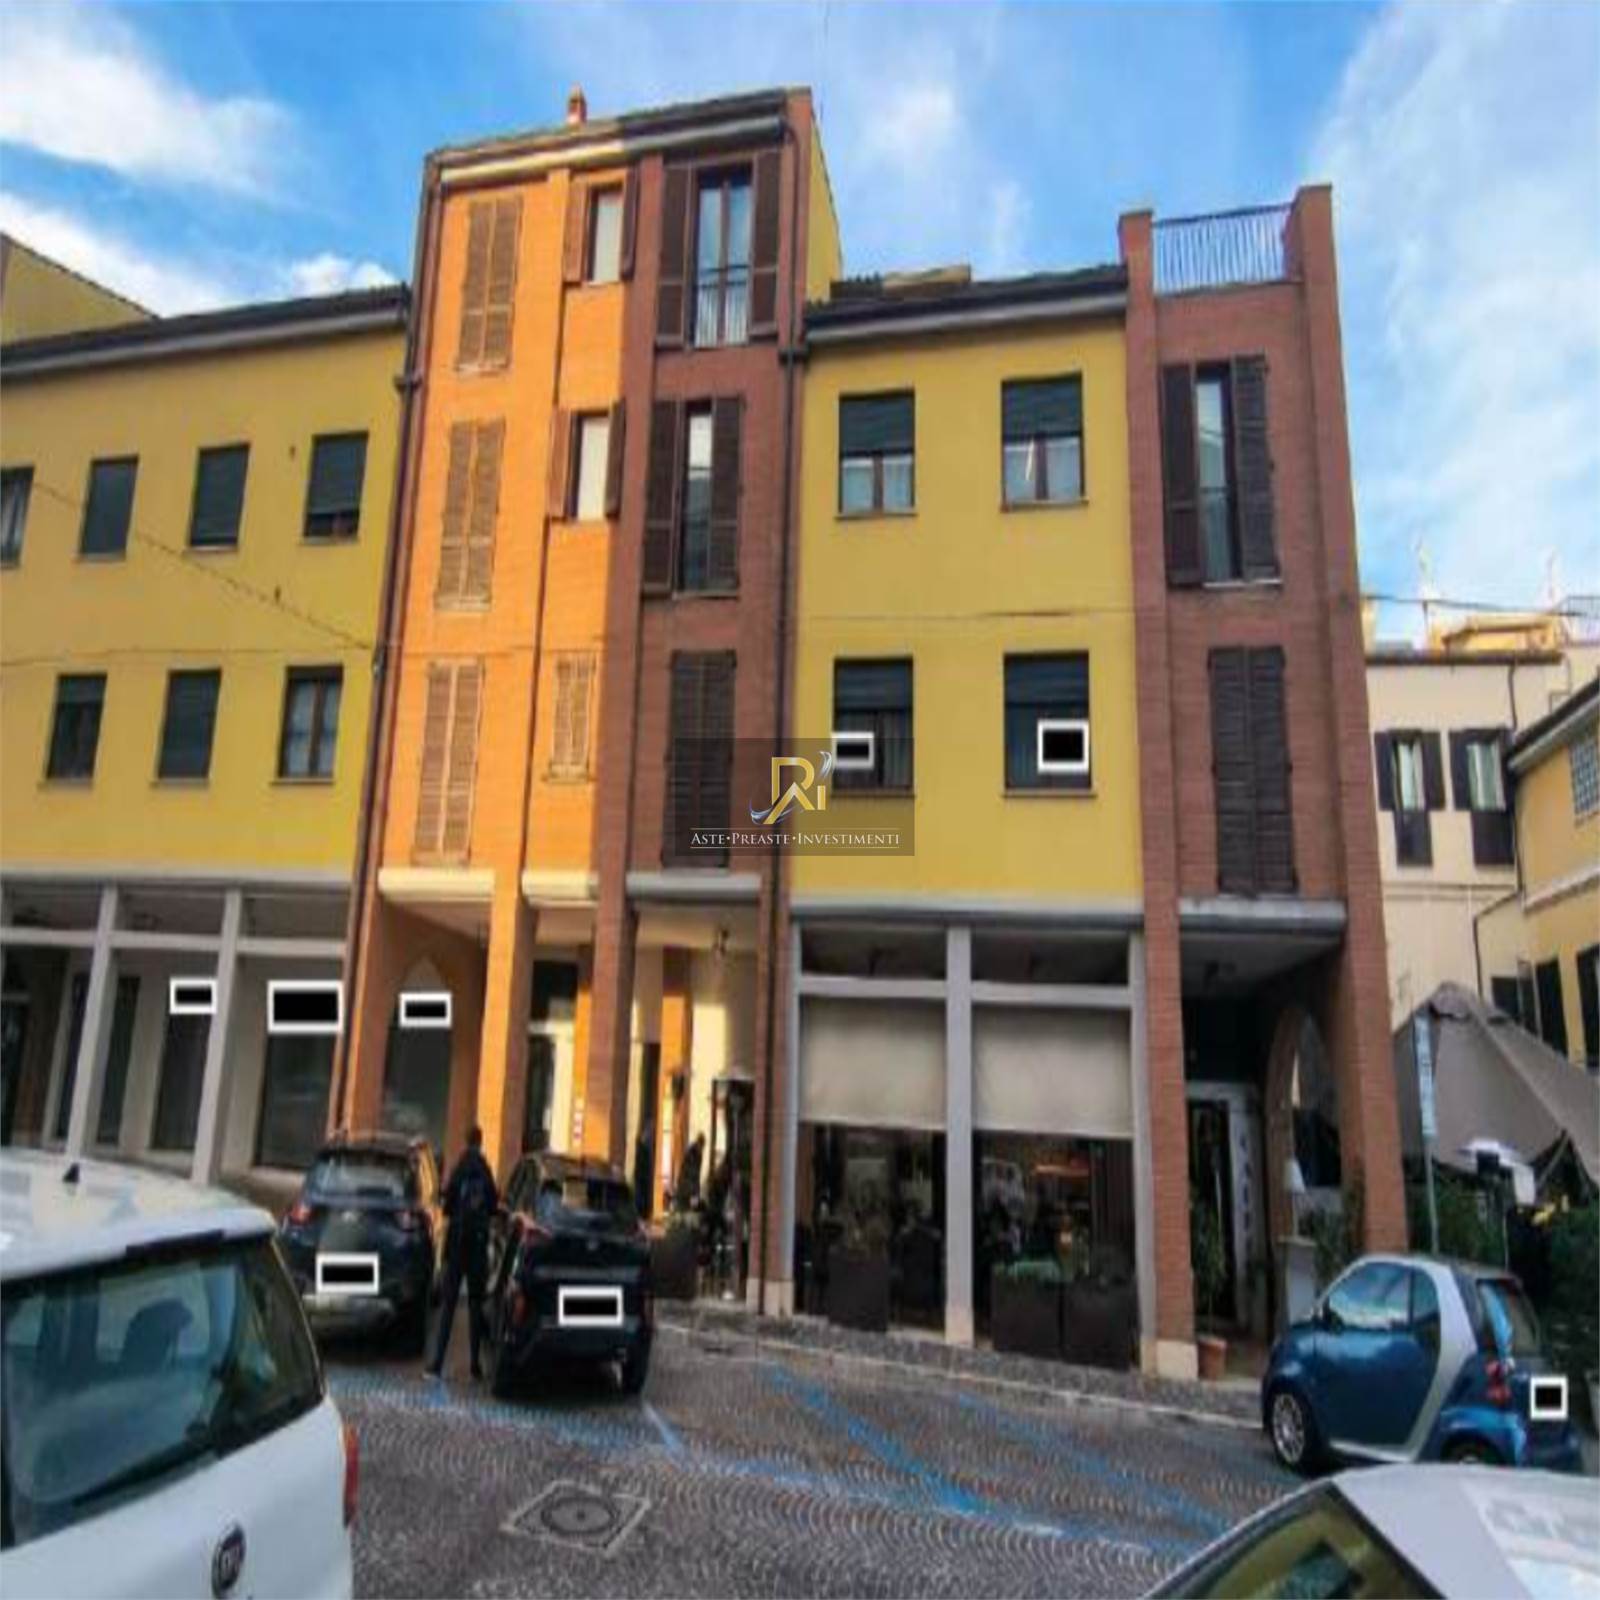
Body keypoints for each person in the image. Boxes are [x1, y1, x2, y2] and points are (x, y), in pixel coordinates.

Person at [426, 1124, 499, 1381]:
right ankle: (475, 1365)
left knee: (448, 1305)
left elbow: (447, 1207)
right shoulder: (485, 1169)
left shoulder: (459, 1168)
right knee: (476, 1305)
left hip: (457, 1245)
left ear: (466, 1141)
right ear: (481, 1142)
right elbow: (493, 1205)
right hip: (477, 1247)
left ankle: (437, 1363)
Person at [673, 1133, 705, 1213]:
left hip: (688, 1185)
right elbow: (691, 1171)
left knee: (687, 1207)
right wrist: (695, 1188)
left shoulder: (697, 1153)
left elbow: (696, 1172)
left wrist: (696, 1188)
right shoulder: (692, 1153)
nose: (701, 1149)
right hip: (686, 1185)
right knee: (684, 1206)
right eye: (701, 1146)